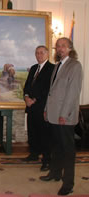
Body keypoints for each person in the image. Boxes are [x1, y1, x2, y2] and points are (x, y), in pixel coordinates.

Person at [39, 37, 83, 195]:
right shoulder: (57, 65)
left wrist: (64, 114)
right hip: (52, 114)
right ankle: (55, 173)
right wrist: (45, 109)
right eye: (57, 46)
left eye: (63, 46)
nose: (59, 49)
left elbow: (73, 93)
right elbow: (51, 92)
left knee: (67, 151)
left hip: (65, 116)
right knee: (56, 147)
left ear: (70, 48)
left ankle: (68, 184)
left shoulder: (75, 66)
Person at [23, 45, 54, 171]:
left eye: (41, 53)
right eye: (37, 53)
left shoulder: (52, 68)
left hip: (42, 107)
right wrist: (26, 97)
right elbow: (27, 85)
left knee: (44, 135)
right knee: (33, 132)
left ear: (47, 54)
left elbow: (48, 89)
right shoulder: (34, 68)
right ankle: (34, 155)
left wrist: (34, 100)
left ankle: (46, 160)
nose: (39, 55)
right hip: (31, 107)